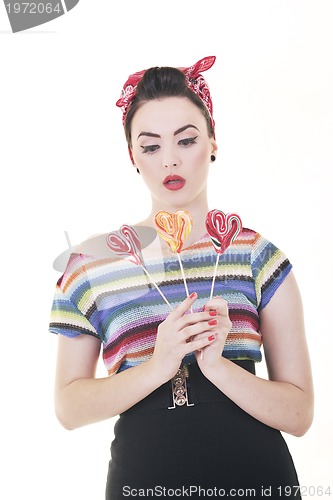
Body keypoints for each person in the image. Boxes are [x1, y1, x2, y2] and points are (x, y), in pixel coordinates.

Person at [49, 56, 314, 499]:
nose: (170, 160)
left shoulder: (255, 256)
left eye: (186, 140)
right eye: (151, 146)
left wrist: (217, 365)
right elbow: (68, 408)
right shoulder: (92, 263)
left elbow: (300, 413)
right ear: (132, 155)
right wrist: (161, 362)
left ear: (212, 140)